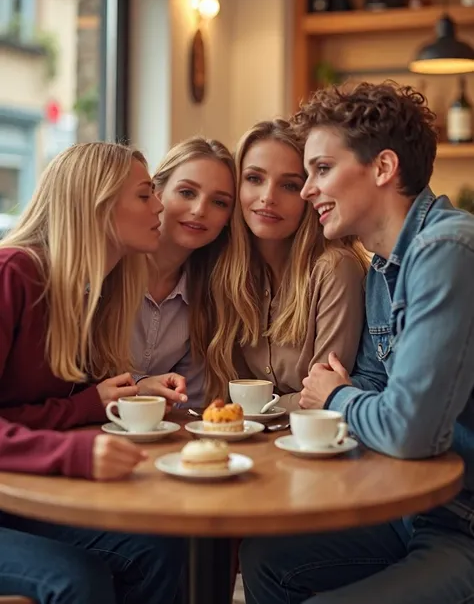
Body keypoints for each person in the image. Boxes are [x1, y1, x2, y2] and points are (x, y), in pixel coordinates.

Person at [240, 82, 474, 604]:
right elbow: (371, 384)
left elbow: (410, 430)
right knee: (267, 558)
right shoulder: (382, 269)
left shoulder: (447, 250)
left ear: (383, 167)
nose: (305, 191)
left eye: (321, 170)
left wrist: (336, 397)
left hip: (464, 521)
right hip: (415, 509)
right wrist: (350, 395)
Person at [0, 142, 184, 604]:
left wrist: (115, 395)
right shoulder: (12, 273)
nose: (161, 205)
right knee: (75, 579)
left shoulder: (84, 294)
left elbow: (18, 410)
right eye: (145, 195)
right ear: (97, 205)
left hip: (15, 496)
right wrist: (74, 454)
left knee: (163, 549)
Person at [209, 119, 367, 411]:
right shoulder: (227, 271)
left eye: (289, 185)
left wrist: (249, 409)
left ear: (309, 193)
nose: (268, 197)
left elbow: (322, 397)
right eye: (254, 178)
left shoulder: (335, 269)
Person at [132, 137, 236, 406]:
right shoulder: (109, 271)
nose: (200, 210)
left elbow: (191, 404)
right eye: (187, 193)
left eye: (219, 202)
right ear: (155, 193)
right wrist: (138, 385)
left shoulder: (211, 293)